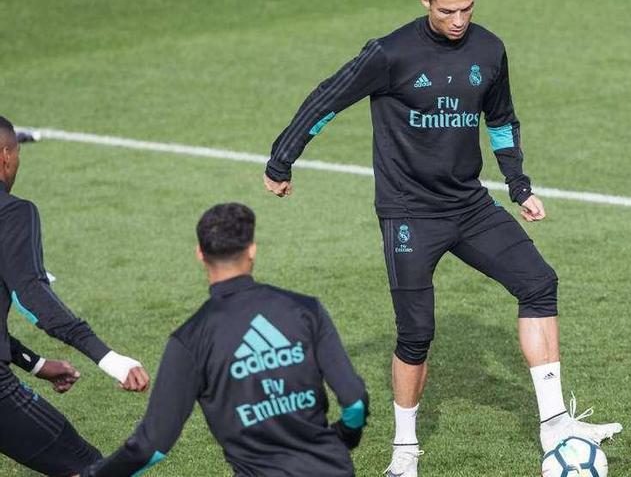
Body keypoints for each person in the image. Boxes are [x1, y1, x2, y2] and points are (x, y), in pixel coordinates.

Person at [262, 0, 621, 474]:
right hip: (408, 213)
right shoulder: (389, 54)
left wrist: (518, 185)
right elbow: (328, 98)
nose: (458, 20)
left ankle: (555, 423)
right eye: (448, 10)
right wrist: (282, 160)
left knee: (539, 282)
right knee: (416, 333)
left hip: (469, 205)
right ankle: (404, 453)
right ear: (425, 1)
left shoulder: (490, 49)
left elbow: (501, 119)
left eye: (467, 8)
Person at [82, 203, 369, 477]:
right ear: (252, 250)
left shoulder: (190, 340)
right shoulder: (306, 310)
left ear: (199, 253)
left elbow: (151, 445)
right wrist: (343, 439)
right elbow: (355, 401)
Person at [0, 115, 150, 476]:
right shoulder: (13, 213)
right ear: (5, 157)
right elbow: (32, 297)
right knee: (88, 466)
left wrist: (35, 364)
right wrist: (110, 359)